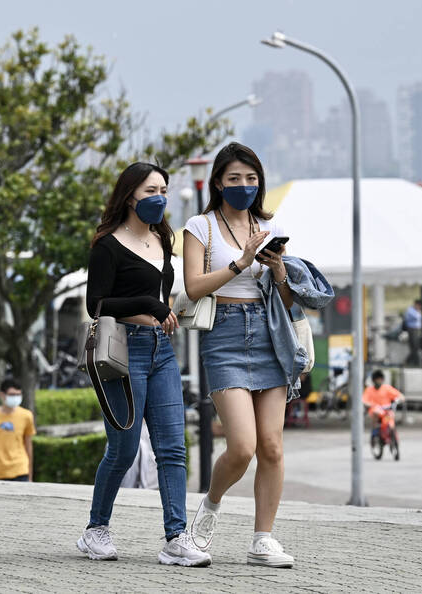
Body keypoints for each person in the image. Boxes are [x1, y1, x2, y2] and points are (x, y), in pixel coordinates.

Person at [78, 162, 210, 567]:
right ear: (130, 194)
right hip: (124, 352)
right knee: (123, 448)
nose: (160, 197)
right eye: (152, 189)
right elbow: (96, 304)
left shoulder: (161, 238)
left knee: (173, 447)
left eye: (165, 190)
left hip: (162, 350)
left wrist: (173, 307)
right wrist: (147, 305)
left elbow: (163, 296)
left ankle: (176, 537)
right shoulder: (107, 244)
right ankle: (95, 529)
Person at [183, 142, 295, 568]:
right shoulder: (201, 226)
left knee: (272, 446)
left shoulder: (267, 225)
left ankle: (262, 539)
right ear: (218, 182)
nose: (244, 186)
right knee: (243, 446)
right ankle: (210, 505)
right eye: (235, 179)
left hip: (268, 333)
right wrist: (241, 262)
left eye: (251, 179)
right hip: (225, 335)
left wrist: (280, 271)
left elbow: (284, 302)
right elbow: (192, 287)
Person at [404, 299, 422, 365]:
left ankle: (412, 361)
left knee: (417, 347)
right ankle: (411, 361)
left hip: (417, 330)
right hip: (412, 330)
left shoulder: (417, 311)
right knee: (414, 346)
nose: (419, 307)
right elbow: (417, 317)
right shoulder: (410, 310)